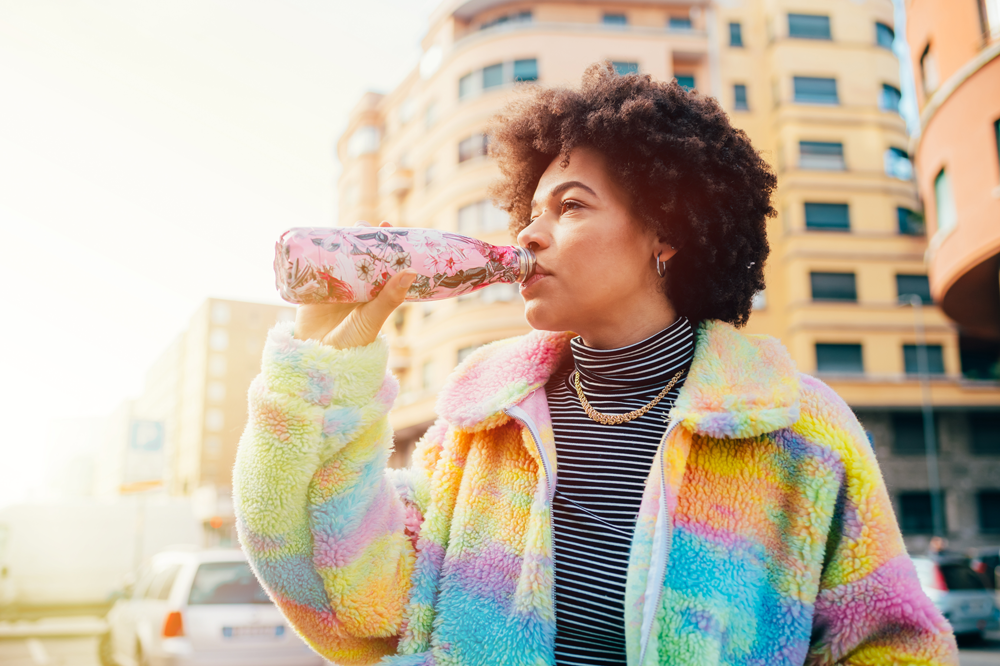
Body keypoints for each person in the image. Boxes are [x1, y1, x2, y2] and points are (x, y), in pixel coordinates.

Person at [233, 63, 958, 665]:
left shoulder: (799, 431)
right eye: (531, 209)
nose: (529, 233)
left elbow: (895, 644)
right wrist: (319, 369)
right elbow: (346, 596)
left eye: (571, 206)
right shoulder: (481, 424)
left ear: (665, 234)